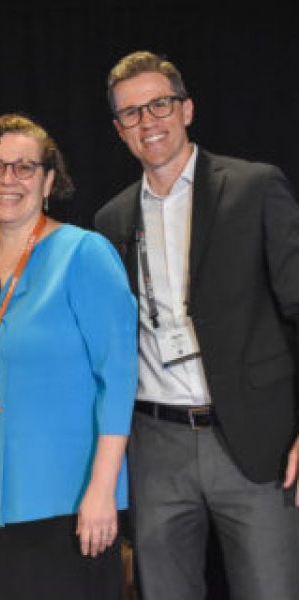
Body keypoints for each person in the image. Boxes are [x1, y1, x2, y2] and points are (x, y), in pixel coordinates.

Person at [94, 50, 299, 600]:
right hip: (156, 447)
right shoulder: (110, 221)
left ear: (186, 109)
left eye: (159, 104)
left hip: (255, 443)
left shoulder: (255, 187)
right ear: (119, 130)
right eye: (132, 113)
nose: (148, 121)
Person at [0, 114, 138, 599]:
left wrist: (102, 491)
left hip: (67, 502)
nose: (8, 179)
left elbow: (118, 379)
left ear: (49, 181)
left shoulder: (85, 253)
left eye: (25, 167)